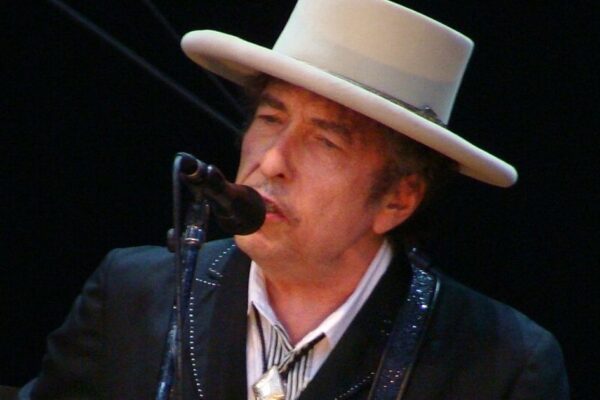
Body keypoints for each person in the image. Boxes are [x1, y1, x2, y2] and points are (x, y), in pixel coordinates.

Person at [18, 0, 569, 399]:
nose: (274, 159)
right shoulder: (132, 296)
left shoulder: (500, 364)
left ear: (398, 200)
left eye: (326, 141)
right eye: (269, 118)